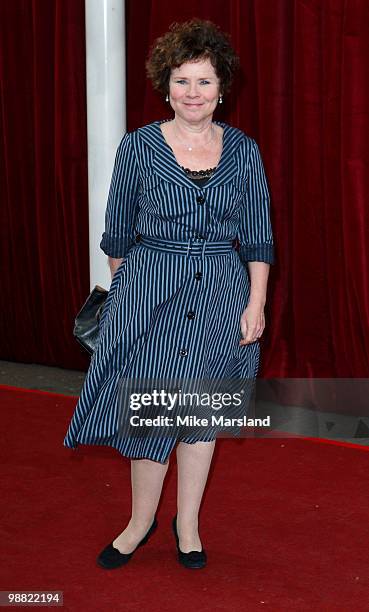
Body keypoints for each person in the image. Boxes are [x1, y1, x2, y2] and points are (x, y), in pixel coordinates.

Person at [64, 18, 275, 570]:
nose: (193, 93)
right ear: (165, 86)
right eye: (182, 81)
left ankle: (188, 525)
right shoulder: (138, 148)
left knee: (201, 415)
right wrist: (138, 293)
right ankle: (139, 523)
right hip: (150, 296)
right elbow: (115, 238)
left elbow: (258, 239)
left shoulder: (245, 152)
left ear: (221, 87)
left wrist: (255, 304)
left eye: (204, 82)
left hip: (224, 298)